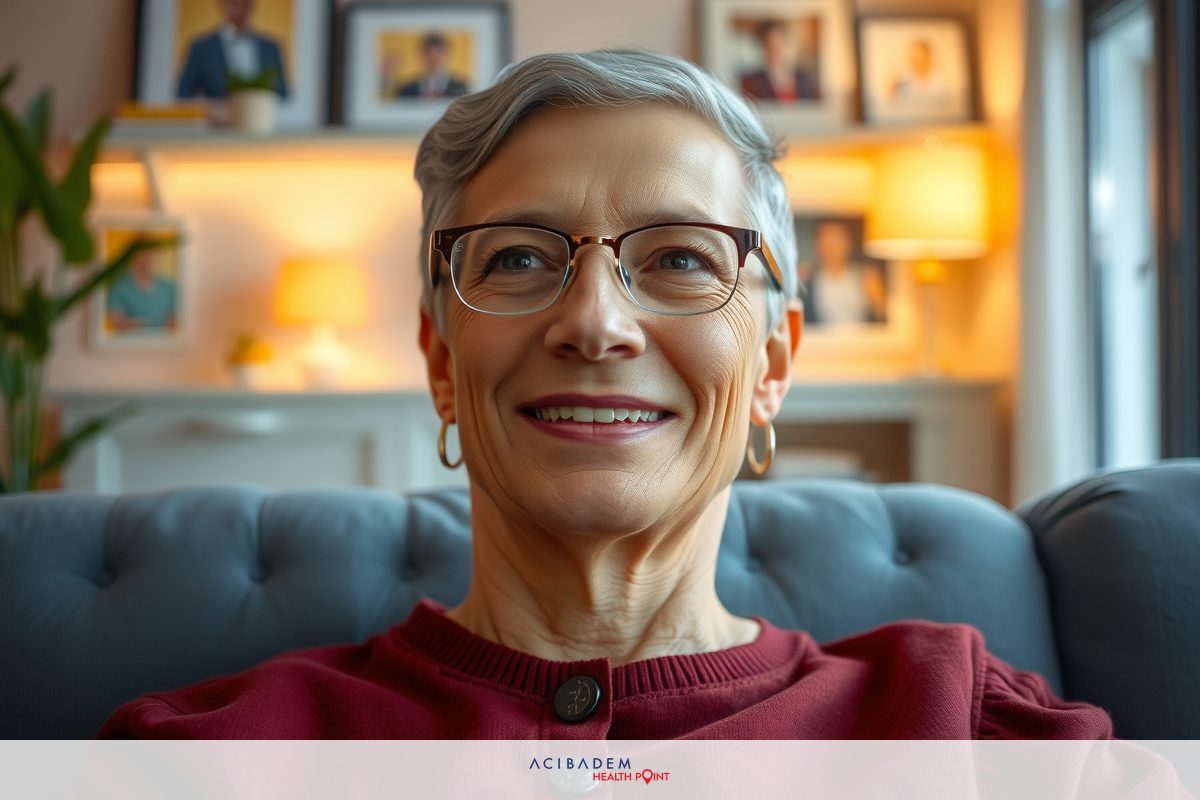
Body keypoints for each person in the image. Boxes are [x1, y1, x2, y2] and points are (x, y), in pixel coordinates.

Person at [99, 51, 1111, 739]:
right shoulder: (204, 755)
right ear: (443, 364)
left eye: (678, 256)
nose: (595, 321)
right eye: (517, 258)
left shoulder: (962, 724)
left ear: (771, 365)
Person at [176, 0, 289, 99]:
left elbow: (283, 94)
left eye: (245, 2)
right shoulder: (201, 48)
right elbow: (183, 93)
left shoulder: (270, 48)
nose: (240, 8)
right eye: (234, 2)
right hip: (216, 122)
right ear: (222, 4)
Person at [800, 220, 887, 325]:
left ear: (848, 242)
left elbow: (884, 320)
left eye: (836, 238)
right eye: (824, 239)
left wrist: (878, 301)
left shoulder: (866, 276)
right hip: (823, 340)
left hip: (863, 340)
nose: (831, 245)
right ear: (816, 244)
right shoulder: (808, 279)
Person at [740, 19, 819, 102]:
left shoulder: (804, 79)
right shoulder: (752, 82)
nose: (776, 49)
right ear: (763, 45)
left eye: (779, 43)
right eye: (771, 44)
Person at [105, 248, 177, 333]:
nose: (147, 259)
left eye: (150, 255)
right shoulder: (119, 286)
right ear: (132, 258)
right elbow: (118, 323)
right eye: (142, 255)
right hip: (130, 343)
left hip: (163, 343)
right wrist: (138, 325)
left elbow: (172, 323)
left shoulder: (169, 287)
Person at [395, 34, 469, 99]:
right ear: (422, 55)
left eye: (438, 53)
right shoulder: (406, 90)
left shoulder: (460, 88)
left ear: (446, 55)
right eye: (429, 55)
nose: (433, 59)